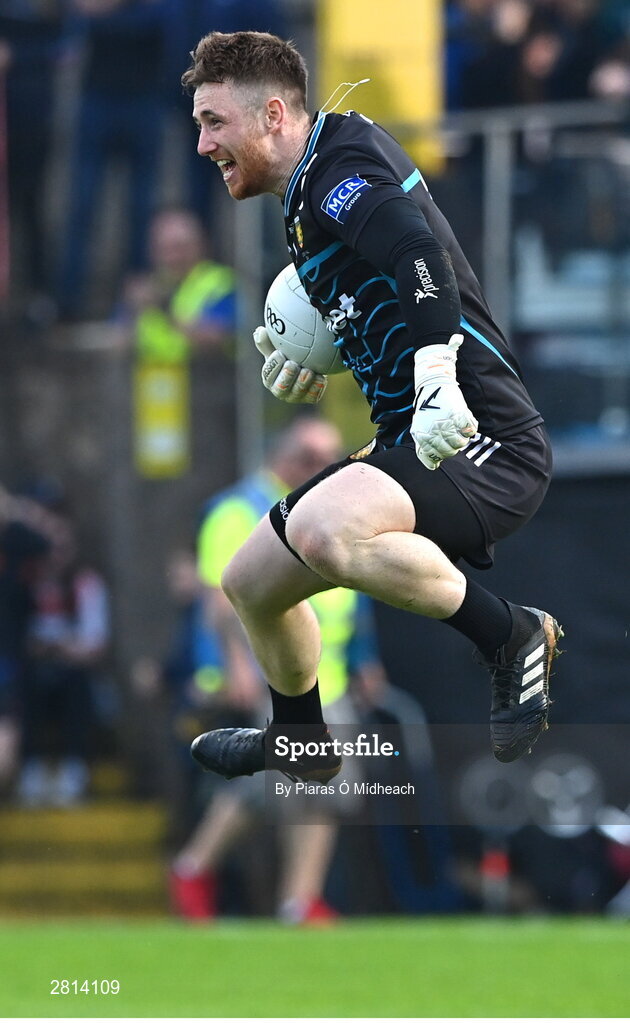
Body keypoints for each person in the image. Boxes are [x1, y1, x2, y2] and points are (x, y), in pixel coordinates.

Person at [181, 30, 563, 783]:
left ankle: (511, 633)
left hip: (482, 438)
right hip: (413, 437)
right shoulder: (308, 192)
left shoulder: (335, 172)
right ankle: (303, 739)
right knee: (250, 579)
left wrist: (432, 370)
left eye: (214, 122)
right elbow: (380, 284)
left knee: (324, 533)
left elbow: (417, 256)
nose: (202, 144)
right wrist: (329, 353)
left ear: (276, 116)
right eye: (199, 124)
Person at [170, 417, 379, 923]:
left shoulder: (330, 505)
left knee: (324, 788)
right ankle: (194, 867)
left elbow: (351, 587)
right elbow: (221, 599)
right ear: (281, 458)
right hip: (271, 672)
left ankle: (298, 900)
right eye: (310, 457)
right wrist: (236, 666)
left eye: (331, 456)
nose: (323, 467)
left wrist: (363, 659)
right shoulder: (236, 510)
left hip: (324, 676)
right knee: (265, 784)